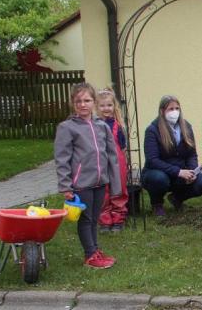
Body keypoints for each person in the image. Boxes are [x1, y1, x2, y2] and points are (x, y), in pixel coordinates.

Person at [54, 82, 121, 269]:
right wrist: (66, 186)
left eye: (87, 100)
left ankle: (95, 250)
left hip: (99, 181)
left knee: (95, 218)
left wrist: (114, 182)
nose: (83, 105)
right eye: (78, 101)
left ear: (94, 102)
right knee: (86, 219)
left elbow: (112, 155)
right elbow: (62, 159)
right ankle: (90, 255)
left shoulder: (102, 126)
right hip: (81, 183)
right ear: (72, 103)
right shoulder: (67, 128)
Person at [141, 95, 202, 216]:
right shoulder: (152, 130)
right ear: (162, 111)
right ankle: (157, 203)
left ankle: (177, 198)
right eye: (171, 109)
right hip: (157, 172)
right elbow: (152, 160)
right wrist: (178, 172)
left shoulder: (186, 127)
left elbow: (191, 154)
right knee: (159, 179)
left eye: (177, 108)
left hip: (181, 172)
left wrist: (192, 171)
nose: (175, 112)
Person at [94, 88, 129, 233]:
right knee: (103, 191)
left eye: (109, 105)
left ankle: (118, 219)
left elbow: (123, 147)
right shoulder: (93, 126)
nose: (106, 108)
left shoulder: (117, 125)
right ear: (96, 107)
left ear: (114, 106)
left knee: (118, 189)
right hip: (100, 163)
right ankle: (105, 220)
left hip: (117, 163)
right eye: (102, 105)